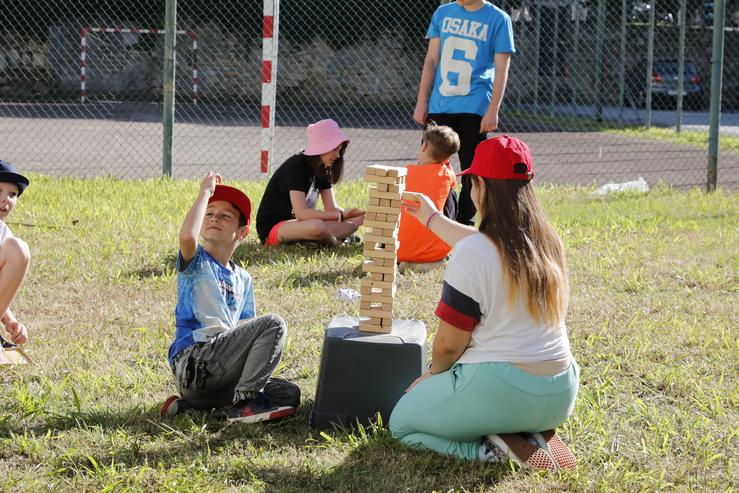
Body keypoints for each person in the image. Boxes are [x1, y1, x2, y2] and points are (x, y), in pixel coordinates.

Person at [389, 136, 578, 470]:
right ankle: (527, 430)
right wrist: (431, 218)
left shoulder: (473, 253)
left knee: (402, 422)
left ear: (480, 186)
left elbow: (449, 345)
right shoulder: (549, 242)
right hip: (561, 392)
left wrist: (431, 376)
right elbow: (484, 245)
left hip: (503, 389)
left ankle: (488, 450)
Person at [161, 172, 300, 423]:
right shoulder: (197, 262)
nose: (215, 218)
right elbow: (186, 237)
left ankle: (191, 405)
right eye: (210, 213)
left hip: (217, 373)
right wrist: (205, 192)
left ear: (242, 232)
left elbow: (242, 333)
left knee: (289, 393)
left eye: (225, 216)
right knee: (273, 324)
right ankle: (245, 405)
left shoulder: (243, 279)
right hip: (194, 360)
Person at [413, 0, 515, 226]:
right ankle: (433, 219)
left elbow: (501, 68)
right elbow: (431, 60)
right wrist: (422, 100)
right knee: (428, 166)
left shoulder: (498, 19)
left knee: (472, 169)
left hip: (474, 106)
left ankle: (463, 223)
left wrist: (493, 109)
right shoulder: (443, 12)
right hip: (441, 104)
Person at [256, 119, 365, 247]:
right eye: (334, 149)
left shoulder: (324, 167)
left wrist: (355, 215)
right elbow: (301, 213)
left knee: (353, 223)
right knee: (317, 227)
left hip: (302, 224)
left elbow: (332, 208)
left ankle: (313, 241)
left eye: (339, 150)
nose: (337, 156)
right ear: (322, 146)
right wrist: (341, 215)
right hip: (275, 228)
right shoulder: (296, 166)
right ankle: (336, 243)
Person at [397, 122, 460, 273]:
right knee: (451, 197)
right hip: (433, 254)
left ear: (424, 147)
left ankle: (405, 262)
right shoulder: (447, 176)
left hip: (397, 250)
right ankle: (422, 265)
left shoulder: (405, 172)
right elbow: (450, 214)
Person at [0, 160, 31, 348]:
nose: (5, 199)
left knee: (19, 249)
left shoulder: (3, 233)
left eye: (12, 195)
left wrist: (10, 320)